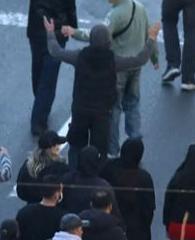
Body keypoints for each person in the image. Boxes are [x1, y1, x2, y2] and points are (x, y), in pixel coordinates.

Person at [45, 22, 159, 163]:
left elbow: (56, 52)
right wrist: (151, 39)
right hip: (102, 114)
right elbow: (139, 60)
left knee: (76, 145)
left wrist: (50, 33)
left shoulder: (80, 56)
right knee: (99, 150)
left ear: (91, 40)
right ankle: (96, 176)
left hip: (80, 110)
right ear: (109, 42)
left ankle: (74, 175)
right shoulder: (113, 61)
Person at [25, 0, 77, 135]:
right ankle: (38, 119)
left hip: (35, 32)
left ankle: (39, 102)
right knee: (49, 76)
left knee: (37, 69)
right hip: (55, 34)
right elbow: (71, 10)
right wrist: (72, 29)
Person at [101, 138, 156, 240]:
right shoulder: (144, 178)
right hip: (136, 232)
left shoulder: (109, 168)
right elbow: (148, 209)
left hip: (110, 225)